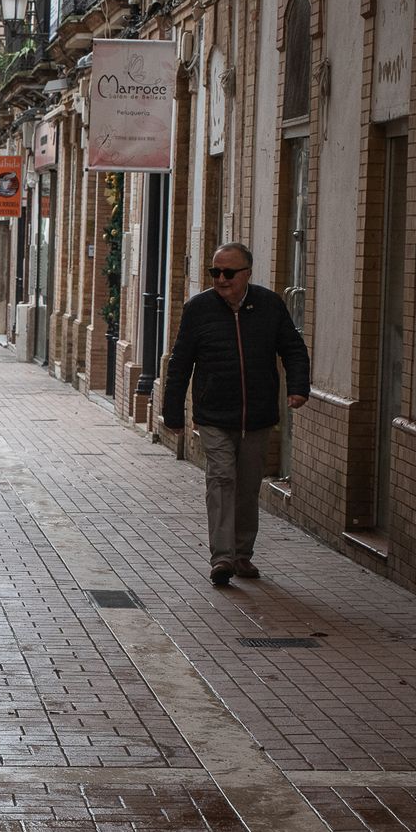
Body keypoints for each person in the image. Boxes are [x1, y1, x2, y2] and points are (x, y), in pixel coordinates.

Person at [162, 243, 310, 586]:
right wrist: (173, 413)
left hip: (257, 416)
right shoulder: (198, 309)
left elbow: (293, 349)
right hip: (213, 415)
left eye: (229, 273)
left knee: (247, 487)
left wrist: (298, 387)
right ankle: (222, 558)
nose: (221, 279)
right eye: (215, 272)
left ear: (247, 273)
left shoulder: (269, 305)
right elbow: (180, 362)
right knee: (221, 480)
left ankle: (242, 554)